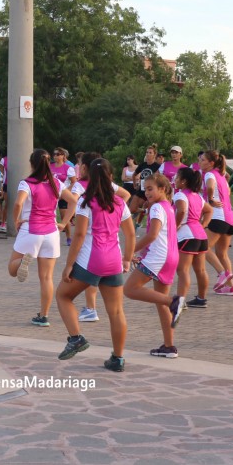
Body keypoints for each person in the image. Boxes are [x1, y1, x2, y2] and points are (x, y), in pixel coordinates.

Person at [56, 158, 136, 371]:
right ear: (111, 178)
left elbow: (80, 235)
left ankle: (76, 338)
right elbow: (130, 234)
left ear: (88, 177)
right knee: (116, 312)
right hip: (114, 261)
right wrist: (127, 259)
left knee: (63, 295)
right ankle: (117, 359)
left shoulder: (85, 201)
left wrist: (68, 265)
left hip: (91, 260)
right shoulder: (120, 203)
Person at [9, 149, 76, 327]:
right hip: (51, 234)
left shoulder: (27, 183)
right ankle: (44, 316)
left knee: (12, 269)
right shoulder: (56, 183)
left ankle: (24, 260)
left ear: (31, 164)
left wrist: (16, 220)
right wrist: (64, 222)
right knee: (46, 278)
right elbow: (74, 201)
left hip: (31, 231)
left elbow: (18, 203)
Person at [123, 173, 183, 359]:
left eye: (150, 189)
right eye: (145, 189)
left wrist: (130, 252)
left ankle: (174, 302)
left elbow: (152, 235)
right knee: (160, 303)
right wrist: (141, 254)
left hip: (159, 257)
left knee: (129, 289)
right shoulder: (168, 207)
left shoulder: (156, 208)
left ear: (162, 189)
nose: (146, 193)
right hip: (170, 256)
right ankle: (169, 346)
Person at [173, 167, 212, 308]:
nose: (175, 180)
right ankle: (201, 299)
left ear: (183, 181)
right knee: (200, 270)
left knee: (183, 270)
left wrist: (175, 226)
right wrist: (203, 225)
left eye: (177, 178)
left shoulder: (180, 195)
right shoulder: (198, 196)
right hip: (201, 235)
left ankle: (180, 302)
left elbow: (182, 210)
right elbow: (209, 210)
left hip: (187, 235)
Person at [201, 150, 233, 295]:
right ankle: (230, 287)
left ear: (211, 163)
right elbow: (228, 192)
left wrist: (210, 199)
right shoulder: (221, 175)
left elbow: (210, 186)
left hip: (218, 216)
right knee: (222, 253)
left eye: (203, 160)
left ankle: (222, 273)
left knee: (203, 247)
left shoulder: (210, 174)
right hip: (230, 218)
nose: (200, 162)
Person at [49, 147, 77, 246]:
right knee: (50, 216)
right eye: (54, 154)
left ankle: (69, 237)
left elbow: (74, 182)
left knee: (64, 217)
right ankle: (50, 236)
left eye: (58, 154)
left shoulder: (68, 168)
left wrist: (64, 193)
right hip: (50, 194)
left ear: (63, 156)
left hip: (62, 195)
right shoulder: (49, 166)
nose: (55, 156)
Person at [129, 146, 160, 224]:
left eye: (150, 152)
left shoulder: (157, 166)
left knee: (149, 206)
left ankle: (139, 223)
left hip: (150, 190)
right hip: (141, 188)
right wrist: (134, 184)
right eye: (147, 152)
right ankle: (144, 210)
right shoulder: (142, 165)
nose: (148, 154)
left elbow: (159, 179)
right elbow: (134, 175)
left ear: (154, 154)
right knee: (131, 209)